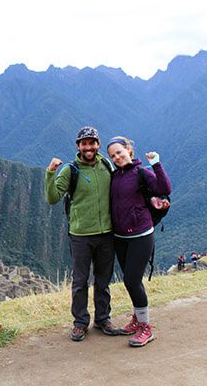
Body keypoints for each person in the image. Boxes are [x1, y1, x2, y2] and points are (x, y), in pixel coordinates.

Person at [45, 126, 119, 342]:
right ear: (78, 146)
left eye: (92, 142)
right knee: (80, 281)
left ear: (97, 145)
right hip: (81, 235)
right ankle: (80, 323)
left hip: (106, 233)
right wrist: (50, 173)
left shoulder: (106, 165)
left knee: (104, 280)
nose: (89, 147)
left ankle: (103, 319)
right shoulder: (70, 171)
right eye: (84, 143)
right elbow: (52, 197)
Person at [106, 136, 172, 347]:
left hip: (141, 236)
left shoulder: (142, 173)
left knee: (131, 281)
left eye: (119, 152)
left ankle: (145, 327)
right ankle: (137, 319)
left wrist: (156, 164)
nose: (117, 157)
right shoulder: (115, 176)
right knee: (131, 280)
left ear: (128, 149)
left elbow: (164, 189)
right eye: (112, 156)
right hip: (121, 237)